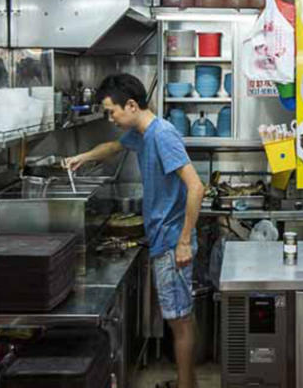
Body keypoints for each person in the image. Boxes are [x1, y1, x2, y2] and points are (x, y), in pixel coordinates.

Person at [64, 74, 204, 388]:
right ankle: (189, 382)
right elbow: (113, 147)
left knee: (179, 321)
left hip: (171, 242)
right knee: (181, 316)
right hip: (164, 239)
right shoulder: (141, 132)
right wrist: (82, 158)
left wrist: (182, 242)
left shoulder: (162, 135)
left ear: (131, 105)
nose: (111, 118)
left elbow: (196, 187)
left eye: (112, 111)